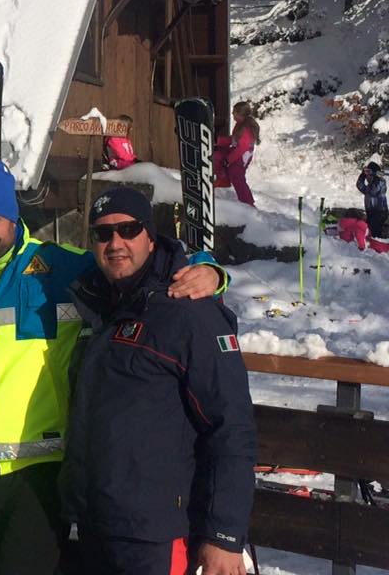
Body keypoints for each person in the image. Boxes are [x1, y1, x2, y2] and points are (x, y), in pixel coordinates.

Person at [0, 162, 227, 575]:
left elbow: (142, 259)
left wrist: (209, 269)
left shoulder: (62, 267)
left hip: (41, 478)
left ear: (13, 216)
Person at [60, 187, 256, 575]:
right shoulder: (98, 303)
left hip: (156, 534)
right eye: (102, 234)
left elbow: (230, 426)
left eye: (128, 230)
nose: (115, 243)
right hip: (97, 523)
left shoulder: (187, 310)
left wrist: (224, 534)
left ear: (151, 236)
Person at [214, 101, 259, 206]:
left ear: (240, 114)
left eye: (234, 112)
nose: (232, 114)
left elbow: (241, 148)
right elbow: (233, 140)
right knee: (217, 156)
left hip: (242, 156)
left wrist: (228, 160)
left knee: (236, 175)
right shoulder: (239, 125)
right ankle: (223, 179)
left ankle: (248, 203)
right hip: (235, 152)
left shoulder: (246, 128)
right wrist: (219, 141)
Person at [356, 161, 388, 238]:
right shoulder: (370, 186)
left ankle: (380, 246)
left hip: (380, 214)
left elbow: (373, 191)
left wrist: (376, 176)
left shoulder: (380, 182)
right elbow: (359, 185)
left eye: (368, 172)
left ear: (374, 173)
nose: (367, 176)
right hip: (371, 212)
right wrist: (362, 175)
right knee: (371, 233)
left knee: (376, 234)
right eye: (366, 172)